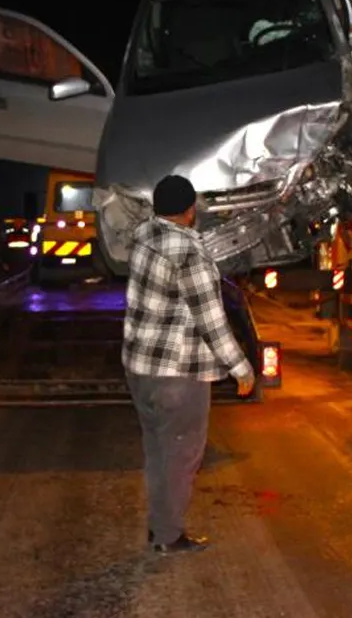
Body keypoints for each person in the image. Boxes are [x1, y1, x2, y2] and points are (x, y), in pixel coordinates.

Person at [123, 174, 256, 556]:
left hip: (140, 369)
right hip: (177, 374)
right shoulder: (188, 254)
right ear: (190, 210)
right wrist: (241, 368)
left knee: (158, 451)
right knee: (181, 455)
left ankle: (158, 527)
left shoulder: (144, 238)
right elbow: (210, 320)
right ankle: (168, 536)